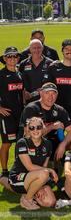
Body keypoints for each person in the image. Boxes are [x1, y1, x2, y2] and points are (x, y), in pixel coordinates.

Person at [1, 117, 56, 210]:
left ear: (43, 128)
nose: (35, 130)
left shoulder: (48, 144)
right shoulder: (23, 142)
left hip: (37, 176)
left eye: (38, 127)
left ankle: (28, 191)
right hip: (18, 176)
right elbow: (29, 167)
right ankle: (27, 200)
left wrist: (40, 185)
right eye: (32, 128)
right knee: (44, 173)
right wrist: (50, 170)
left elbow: (43, 166)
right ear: (28, 130)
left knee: (50, 202)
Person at [20, 82, 71, 162]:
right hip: (34, 145)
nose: (51, 97)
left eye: (53, 94)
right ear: (41, 93)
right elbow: (29, 135)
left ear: (57, 95)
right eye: (47, 93)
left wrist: (63, 144)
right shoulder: (31, 109)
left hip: (52, 142)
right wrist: (52, 126)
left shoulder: (60, 110)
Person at [46, 39, 71, 130]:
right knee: (56, 140)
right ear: (62, 50)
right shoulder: (53, 68)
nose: (69, 51)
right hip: (56, 110)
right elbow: (47, 91)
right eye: (66, 49)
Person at [0, 46, 24, 177]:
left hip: (20, 115)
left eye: (15, 56)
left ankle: (17, 168)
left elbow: (21, 94)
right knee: (7, 143)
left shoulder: (19, 74)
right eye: (9, 56)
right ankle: (4, 171)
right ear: (4, 58)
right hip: (7, 115)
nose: (12, 58)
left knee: (20, 142)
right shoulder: (1, 75)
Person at [19, 39, 53, 104]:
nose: (37, 50)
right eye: (34, 48)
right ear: (29, 49)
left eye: (39, 47)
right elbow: (19, 82)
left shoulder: (50, 63)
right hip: (29, 102)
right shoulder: (23, 64)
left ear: (42, 48)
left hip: (46, 101)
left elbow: (54, 82)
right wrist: (23, 93)